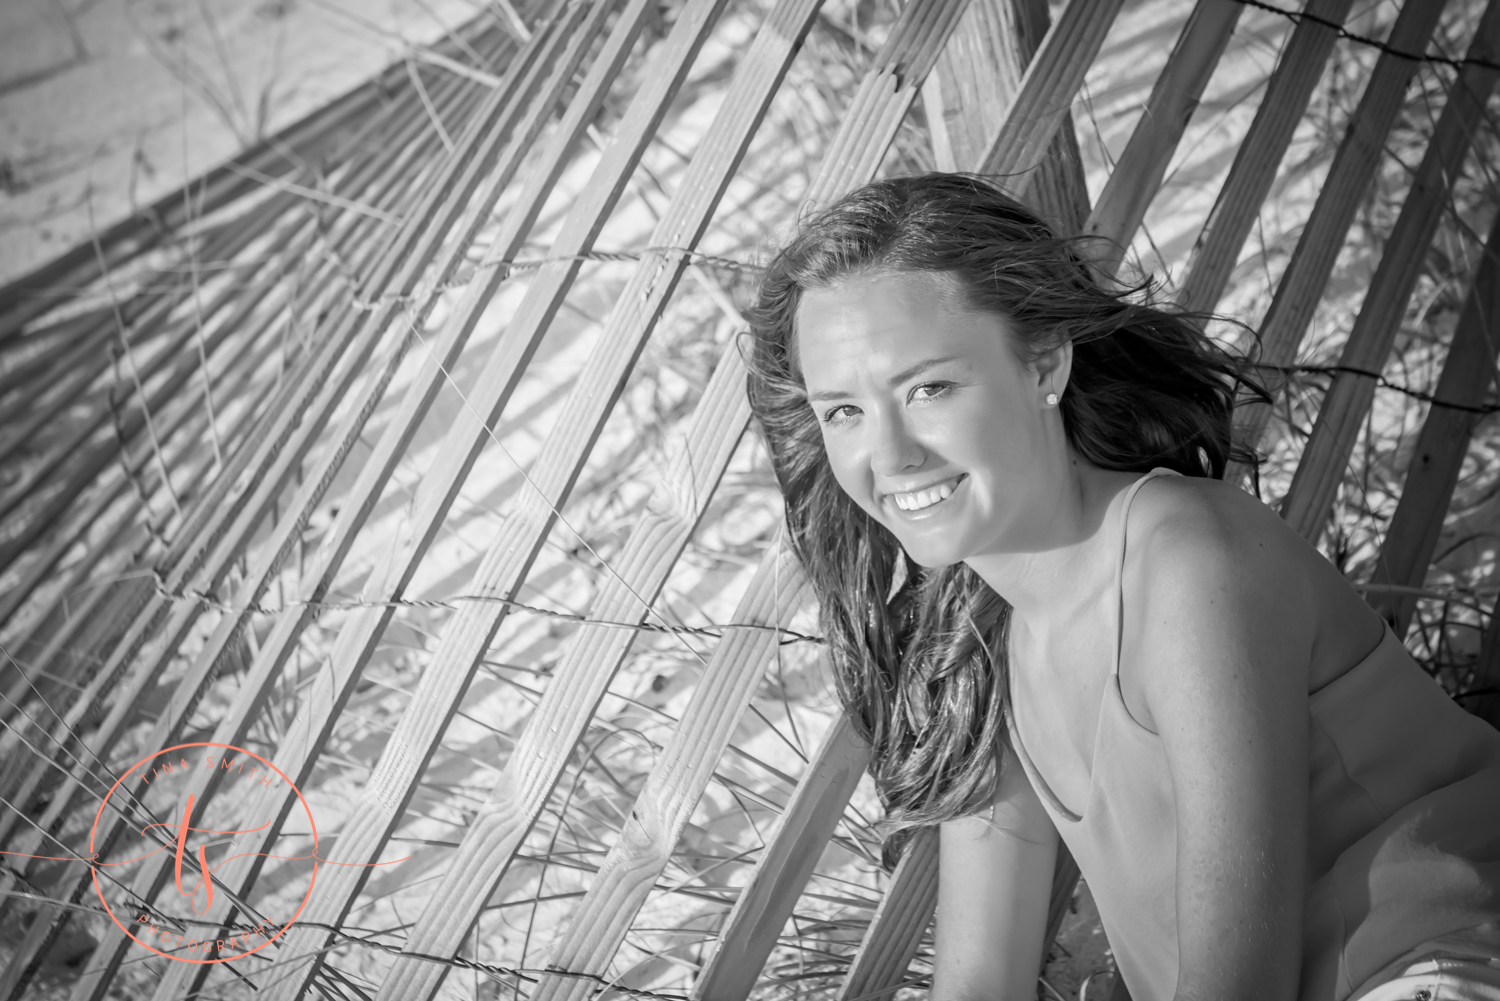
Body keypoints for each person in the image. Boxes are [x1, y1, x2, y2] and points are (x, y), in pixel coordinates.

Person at [744, 173, 1500, 1001]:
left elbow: (1238, 986)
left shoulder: (1186, 562)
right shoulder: (979, 645)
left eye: (930, 388)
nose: (889, 456)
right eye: (843, 411)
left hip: (1439, 959)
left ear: (1043, 363)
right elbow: (981, 982)